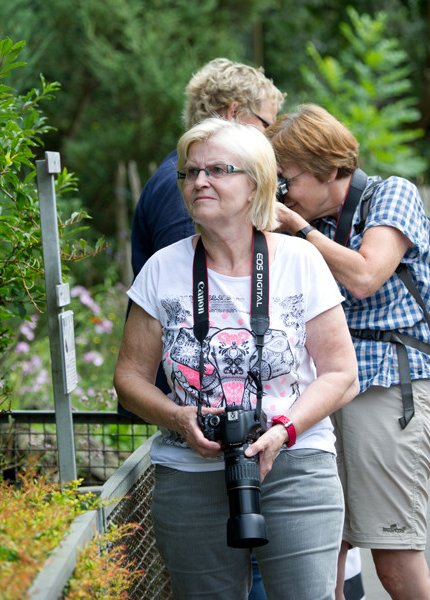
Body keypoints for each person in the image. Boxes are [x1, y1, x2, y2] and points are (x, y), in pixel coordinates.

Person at [114, 117, 359, 599]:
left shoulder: (299, 260)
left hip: (296, 467)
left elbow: (341, 374)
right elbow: (129, 378)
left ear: (255, 184)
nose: (199, 181)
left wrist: (284, 430)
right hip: (189, 474)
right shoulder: (163, 268)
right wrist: (178, 417)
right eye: (191, 172)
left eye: (217, 170)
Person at [266, 103, 430, 600]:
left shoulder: (391, 195)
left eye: (285, 180)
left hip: (384, 385)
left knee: (393, 554)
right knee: (321, 546)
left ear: (331, 170)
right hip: (319, 389)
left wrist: (297, 228)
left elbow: (364, 276)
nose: (281, 194)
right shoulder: (307, 219)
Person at [126, 58, 285, 398]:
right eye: (267, 124)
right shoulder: (193, 187)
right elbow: (185, 285)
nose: (271, 137)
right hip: (185, 394)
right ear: (234, 112)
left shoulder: (182, 173)